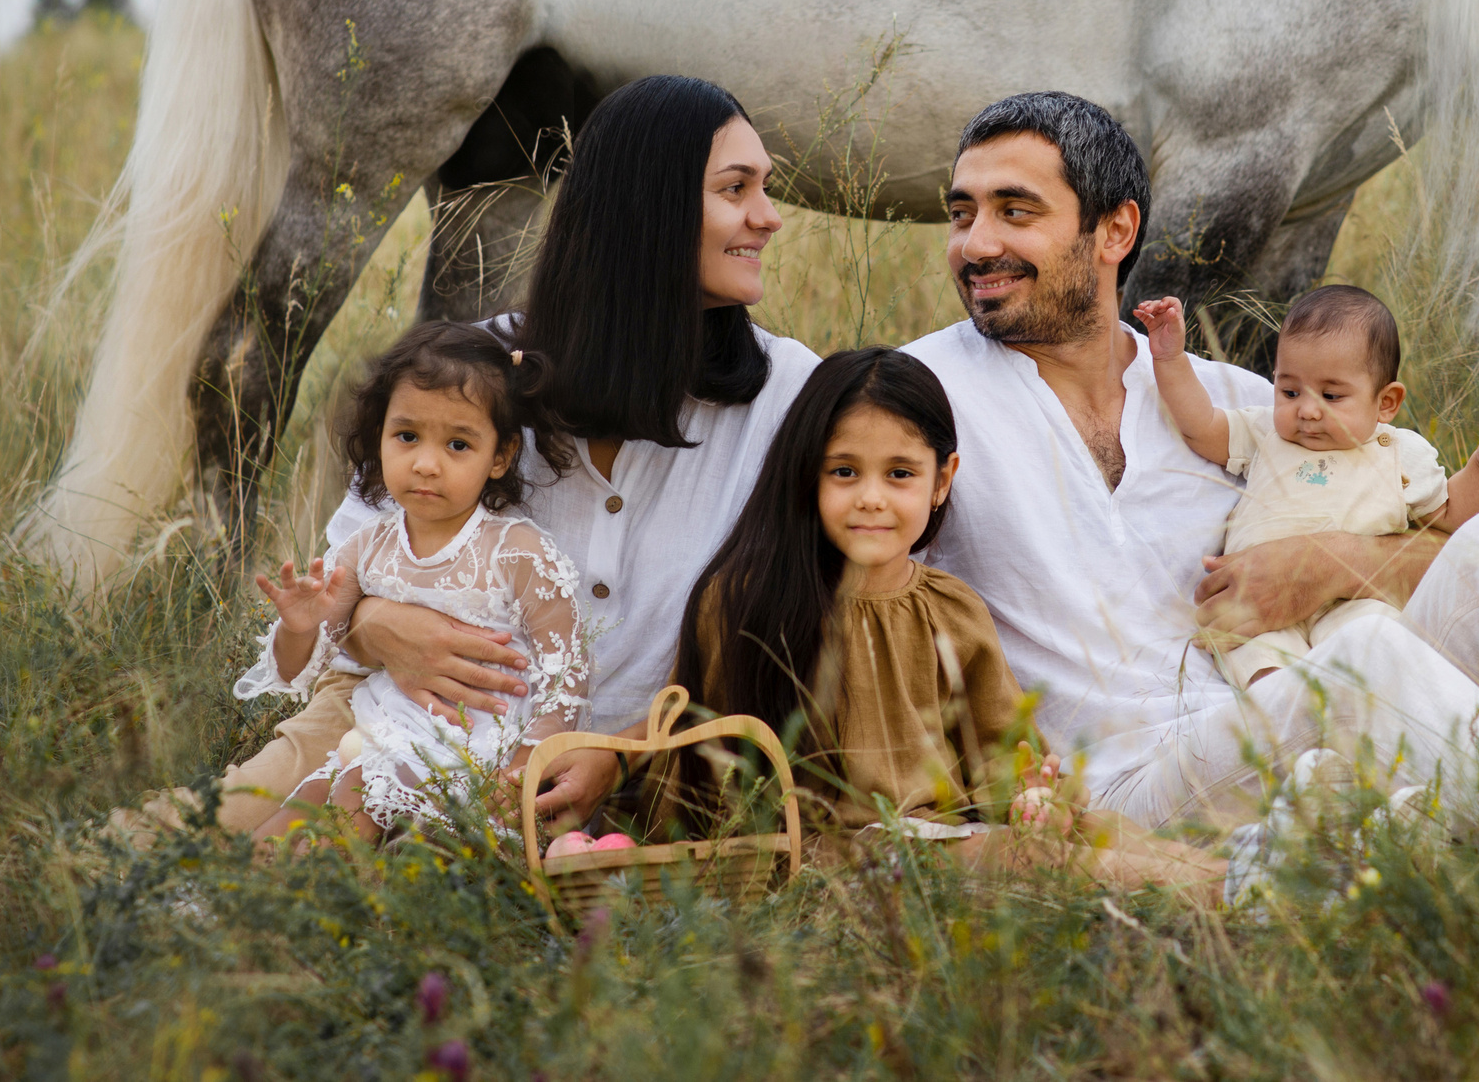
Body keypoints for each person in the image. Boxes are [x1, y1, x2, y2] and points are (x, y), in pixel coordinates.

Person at [905, 90, 1479, 842]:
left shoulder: (1241, 401)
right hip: (1130, 786)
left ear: (1114, 231)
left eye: (1014, 211)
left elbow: (1420, 534)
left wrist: (1329, 565)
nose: (975, 243)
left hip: (1288, 724)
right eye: (962, 213)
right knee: (1366, 656)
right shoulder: (914, 396)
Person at [177, 74, 819, 839]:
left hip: (631, 782)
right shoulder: (475, 372)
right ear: (652, 206)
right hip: (389, 727)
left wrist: (627, 752)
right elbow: (351, 561)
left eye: (764, 187)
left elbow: (799, 629)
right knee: (196, 848)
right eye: (736, 188)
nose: (769, 217)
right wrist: (373, 619)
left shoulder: (789, 398)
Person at [665, 345, 1224, 893]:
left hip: (950, 836)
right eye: (843, 471)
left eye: (900, 473)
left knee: (1092, 828)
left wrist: (1034, 795)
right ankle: (1229, 892)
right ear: (805, 474)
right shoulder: (748, 602)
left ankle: (1242, 878)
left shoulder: (950, 608)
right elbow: (717, 782)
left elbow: (1003, 760)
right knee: (1022, 857)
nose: (871, 498)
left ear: (942, 480)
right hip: (840, 853)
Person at [240, 321, 586, 843]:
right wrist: (298, 628)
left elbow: (569, 672)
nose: (426, 464)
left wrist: (525, 766)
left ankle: (336, 907)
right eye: (407, 437)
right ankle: (256, 902)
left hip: (481, 746)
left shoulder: (517, 550)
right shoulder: (366, 547)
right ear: (379, 436)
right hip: (387, 730)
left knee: (353, 792)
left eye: (457, 444)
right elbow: (298, 673)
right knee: (293, 812)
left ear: (501, 456)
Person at [1133, 283, 1479, 688]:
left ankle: (1366, 726)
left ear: (1386, 403)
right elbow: (1201, 426)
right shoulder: (1265, 434)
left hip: (1354, 601)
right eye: (1289, 391)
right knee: (1263, 669)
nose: (1306, 410)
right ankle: (1293, 727)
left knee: (1375, 644)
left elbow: (1450, 520)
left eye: (1331, 395)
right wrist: (1170, 358)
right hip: (1257, 605)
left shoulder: (1399, 454)